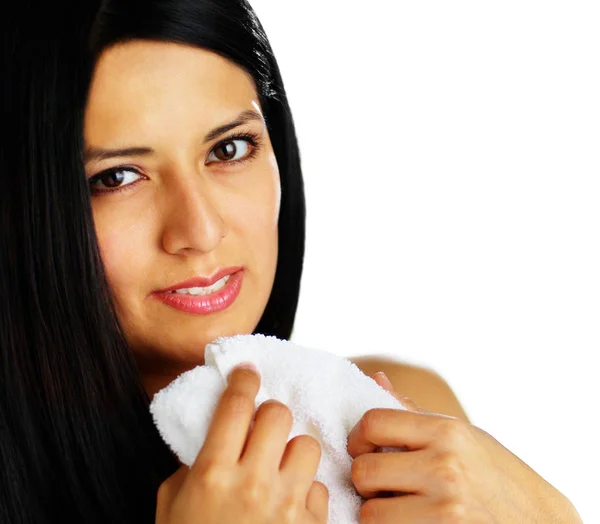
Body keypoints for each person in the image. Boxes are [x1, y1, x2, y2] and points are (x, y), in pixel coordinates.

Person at [0, 0, 583, 522]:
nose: (200, 231)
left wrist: (551, 515)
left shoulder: (408, 437)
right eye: (118, 176)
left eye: (228, 148)